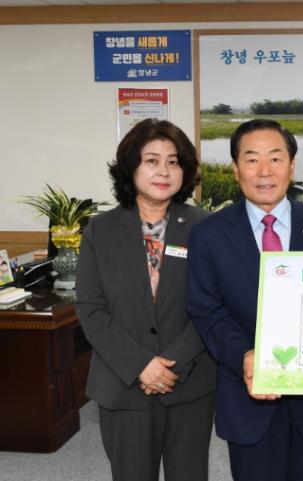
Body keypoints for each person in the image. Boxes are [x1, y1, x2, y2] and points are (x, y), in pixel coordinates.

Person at [186, 119, 303, 481]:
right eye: (251, 159)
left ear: (292, 166)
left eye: (275, 158)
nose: (264, 171)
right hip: (247, 396)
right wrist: (244, 354)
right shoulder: (209, 234)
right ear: (235, 168)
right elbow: (206, 310)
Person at [75, 119, 216, 481]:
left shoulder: (206, 227)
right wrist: (140, 365)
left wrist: (171, 366)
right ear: (131, 166)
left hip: (189, 384)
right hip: (123, 384)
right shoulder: (100, 230)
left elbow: (213, 305)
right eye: (152, 160)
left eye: (174, 161)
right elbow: (91, 308)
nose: (163, 171)